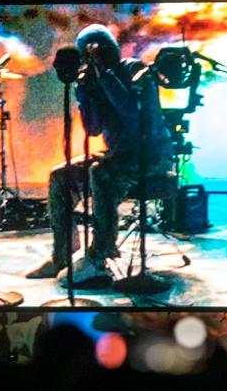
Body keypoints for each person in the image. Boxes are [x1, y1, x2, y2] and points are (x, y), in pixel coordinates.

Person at [26, 24, 173, 284]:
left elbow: (133, 116)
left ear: (113, 50)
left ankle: (98, 256)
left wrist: (106, 78)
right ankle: (62, 255)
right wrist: (83, 92)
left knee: (100, 172)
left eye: (102, 50)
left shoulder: (135, 71)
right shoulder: (93, 81)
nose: (98, 57)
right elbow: (93, 129)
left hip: (150, 156)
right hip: (118, 154)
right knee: (60, 176)